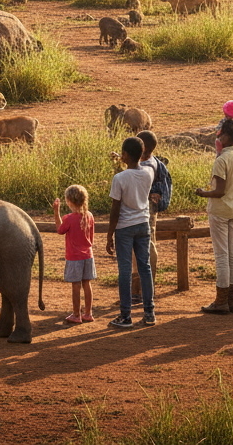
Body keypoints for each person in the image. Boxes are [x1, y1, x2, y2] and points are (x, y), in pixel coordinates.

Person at [194, 118, 233, 313]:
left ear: (225, 135)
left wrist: (202, 193)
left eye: (221, 133)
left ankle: (221, 300)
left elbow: (219, 191)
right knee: (232, 254)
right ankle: (231, 300)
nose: (219, 136)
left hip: (220, 210)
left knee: (222, 255)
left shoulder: (222, 159)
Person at [106, 136, 156, 329]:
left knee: (125, 271)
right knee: (145, 268)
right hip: (143, 224)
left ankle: (126, 315)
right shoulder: (148, 173)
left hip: (125, 228)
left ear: (124, 155)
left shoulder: (119, 178)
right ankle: (149, 313)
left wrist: (110, 234)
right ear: (141, 153)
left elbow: (115, 210)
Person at [131, 130, 166, 306]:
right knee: (145, 245)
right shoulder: (152, 163)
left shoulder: (145, 168)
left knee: (143, 247)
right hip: (148, 211)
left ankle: (141, 290)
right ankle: (142, 290)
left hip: (142, 210)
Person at [53, 184, 96, 324]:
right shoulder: (89, 216)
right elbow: (91, 237)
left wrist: (56, 211)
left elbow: (60, 230)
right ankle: (88, 313)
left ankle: (76, 314)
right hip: (88, 255)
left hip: (74, 257)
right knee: (87, 284)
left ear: (69, 201)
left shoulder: (69, 218)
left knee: (76, 286)